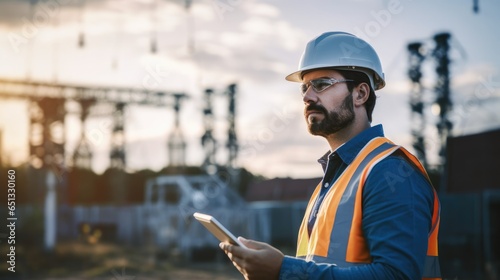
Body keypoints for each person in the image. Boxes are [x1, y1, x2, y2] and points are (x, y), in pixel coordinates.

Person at [220, 31, 441, 280]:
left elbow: (396, 276)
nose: (307, 97)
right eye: (305, 87)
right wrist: (275, 267)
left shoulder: (390, 172)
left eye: (322, 84)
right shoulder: (334, 181)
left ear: (360, 94)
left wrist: (282, 270)